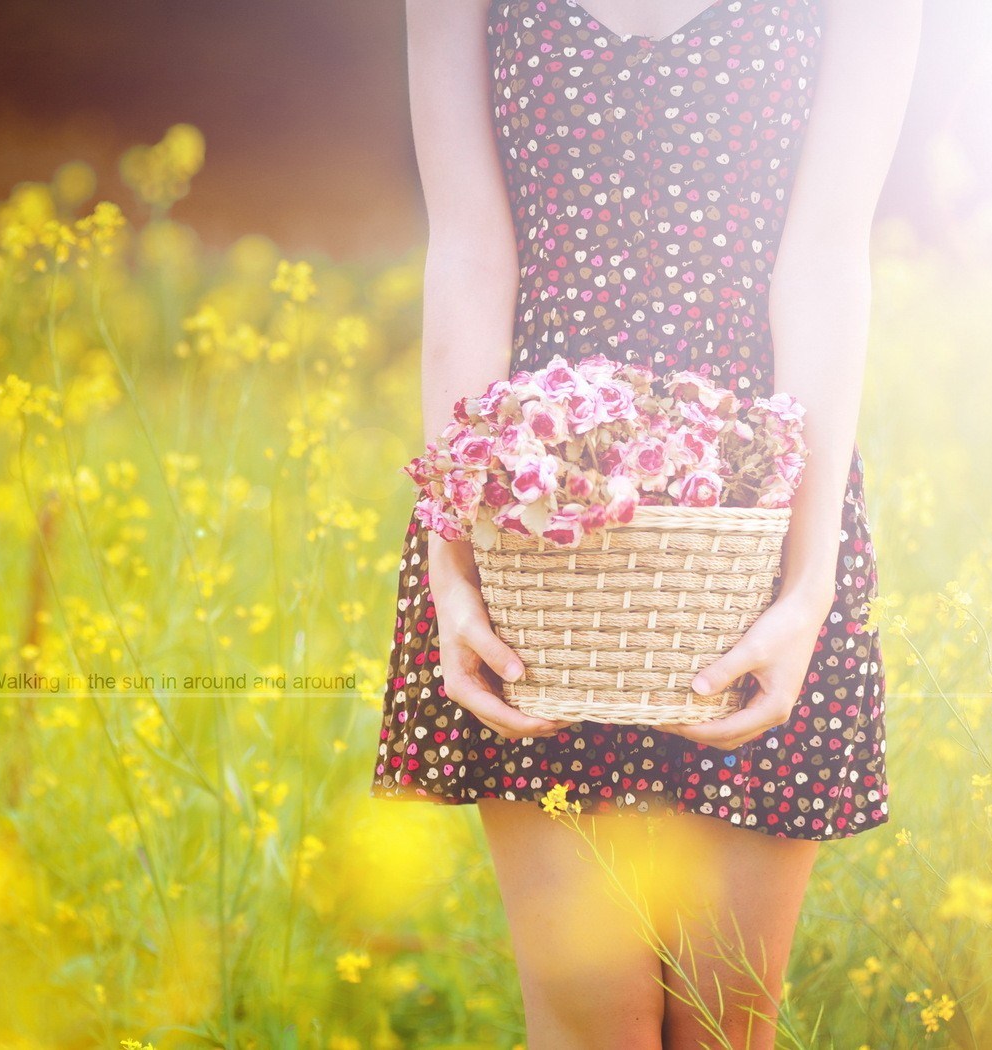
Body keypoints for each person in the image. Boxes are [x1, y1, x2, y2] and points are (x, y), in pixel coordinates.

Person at [368, 1, 923, 1046]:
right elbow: (472, 253)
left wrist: (806, 591)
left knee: (726, 1024)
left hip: (760, 511)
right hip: (538, 521)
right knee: (591, 1025)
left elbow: (823, 260)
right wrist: (454, 558)